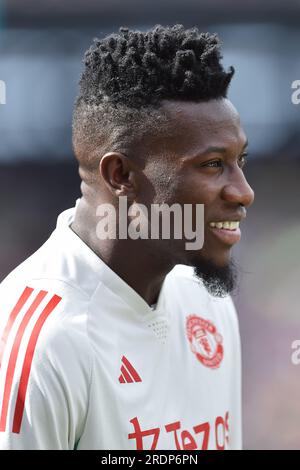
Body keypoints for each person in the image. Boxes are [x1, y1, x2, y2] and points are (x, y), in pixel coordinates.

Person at [0, 24, 254, 450]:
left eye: (240, 160)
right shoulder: (43, 340)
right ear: (121, 176)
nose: (243, 191)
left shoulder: (206, 299)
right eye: (212, 165)